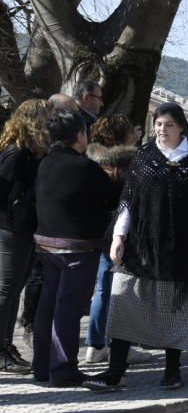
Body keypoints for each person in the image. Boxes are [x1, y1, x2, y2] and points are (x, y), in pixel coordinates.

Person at [84, 103, 188, 392]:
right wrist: (119, 236)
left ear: (181, 127)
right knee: (123, 302)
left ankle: (172, 370)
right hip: (141, 246)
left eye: (168, 124)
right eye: (158, 124)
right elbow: (128, 200)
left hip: (180, 245)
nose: (161, 129)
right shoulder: (144, 156)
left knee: (174, 308)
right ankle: (116, 371)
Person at [32, 110, 118, 386]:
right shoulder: (84, 167)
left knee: (47, 307)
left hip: (45, 245)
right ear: (79, 135)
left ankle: (43, 366)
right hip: (77, 249)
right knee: (67, 310)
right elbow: (112, 197)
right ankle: (63, 370)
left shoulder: (45, 163)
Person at [83, 115, 151, 365]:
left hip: (98, 232)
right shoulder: (131, 162)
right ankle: (121, 347)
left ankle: (95, 344)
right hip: (125, 232)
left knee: (103, 288)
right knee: (125, 291)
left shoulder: (90, 159)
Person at [0, 99, 51, 373]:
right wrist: (23, 205)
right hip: (10, 230)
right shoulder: (16, 153)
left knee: (13, 290)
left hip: (23, 230)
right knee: (6, 291)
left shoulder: (32, 153)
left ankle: (6, 346)